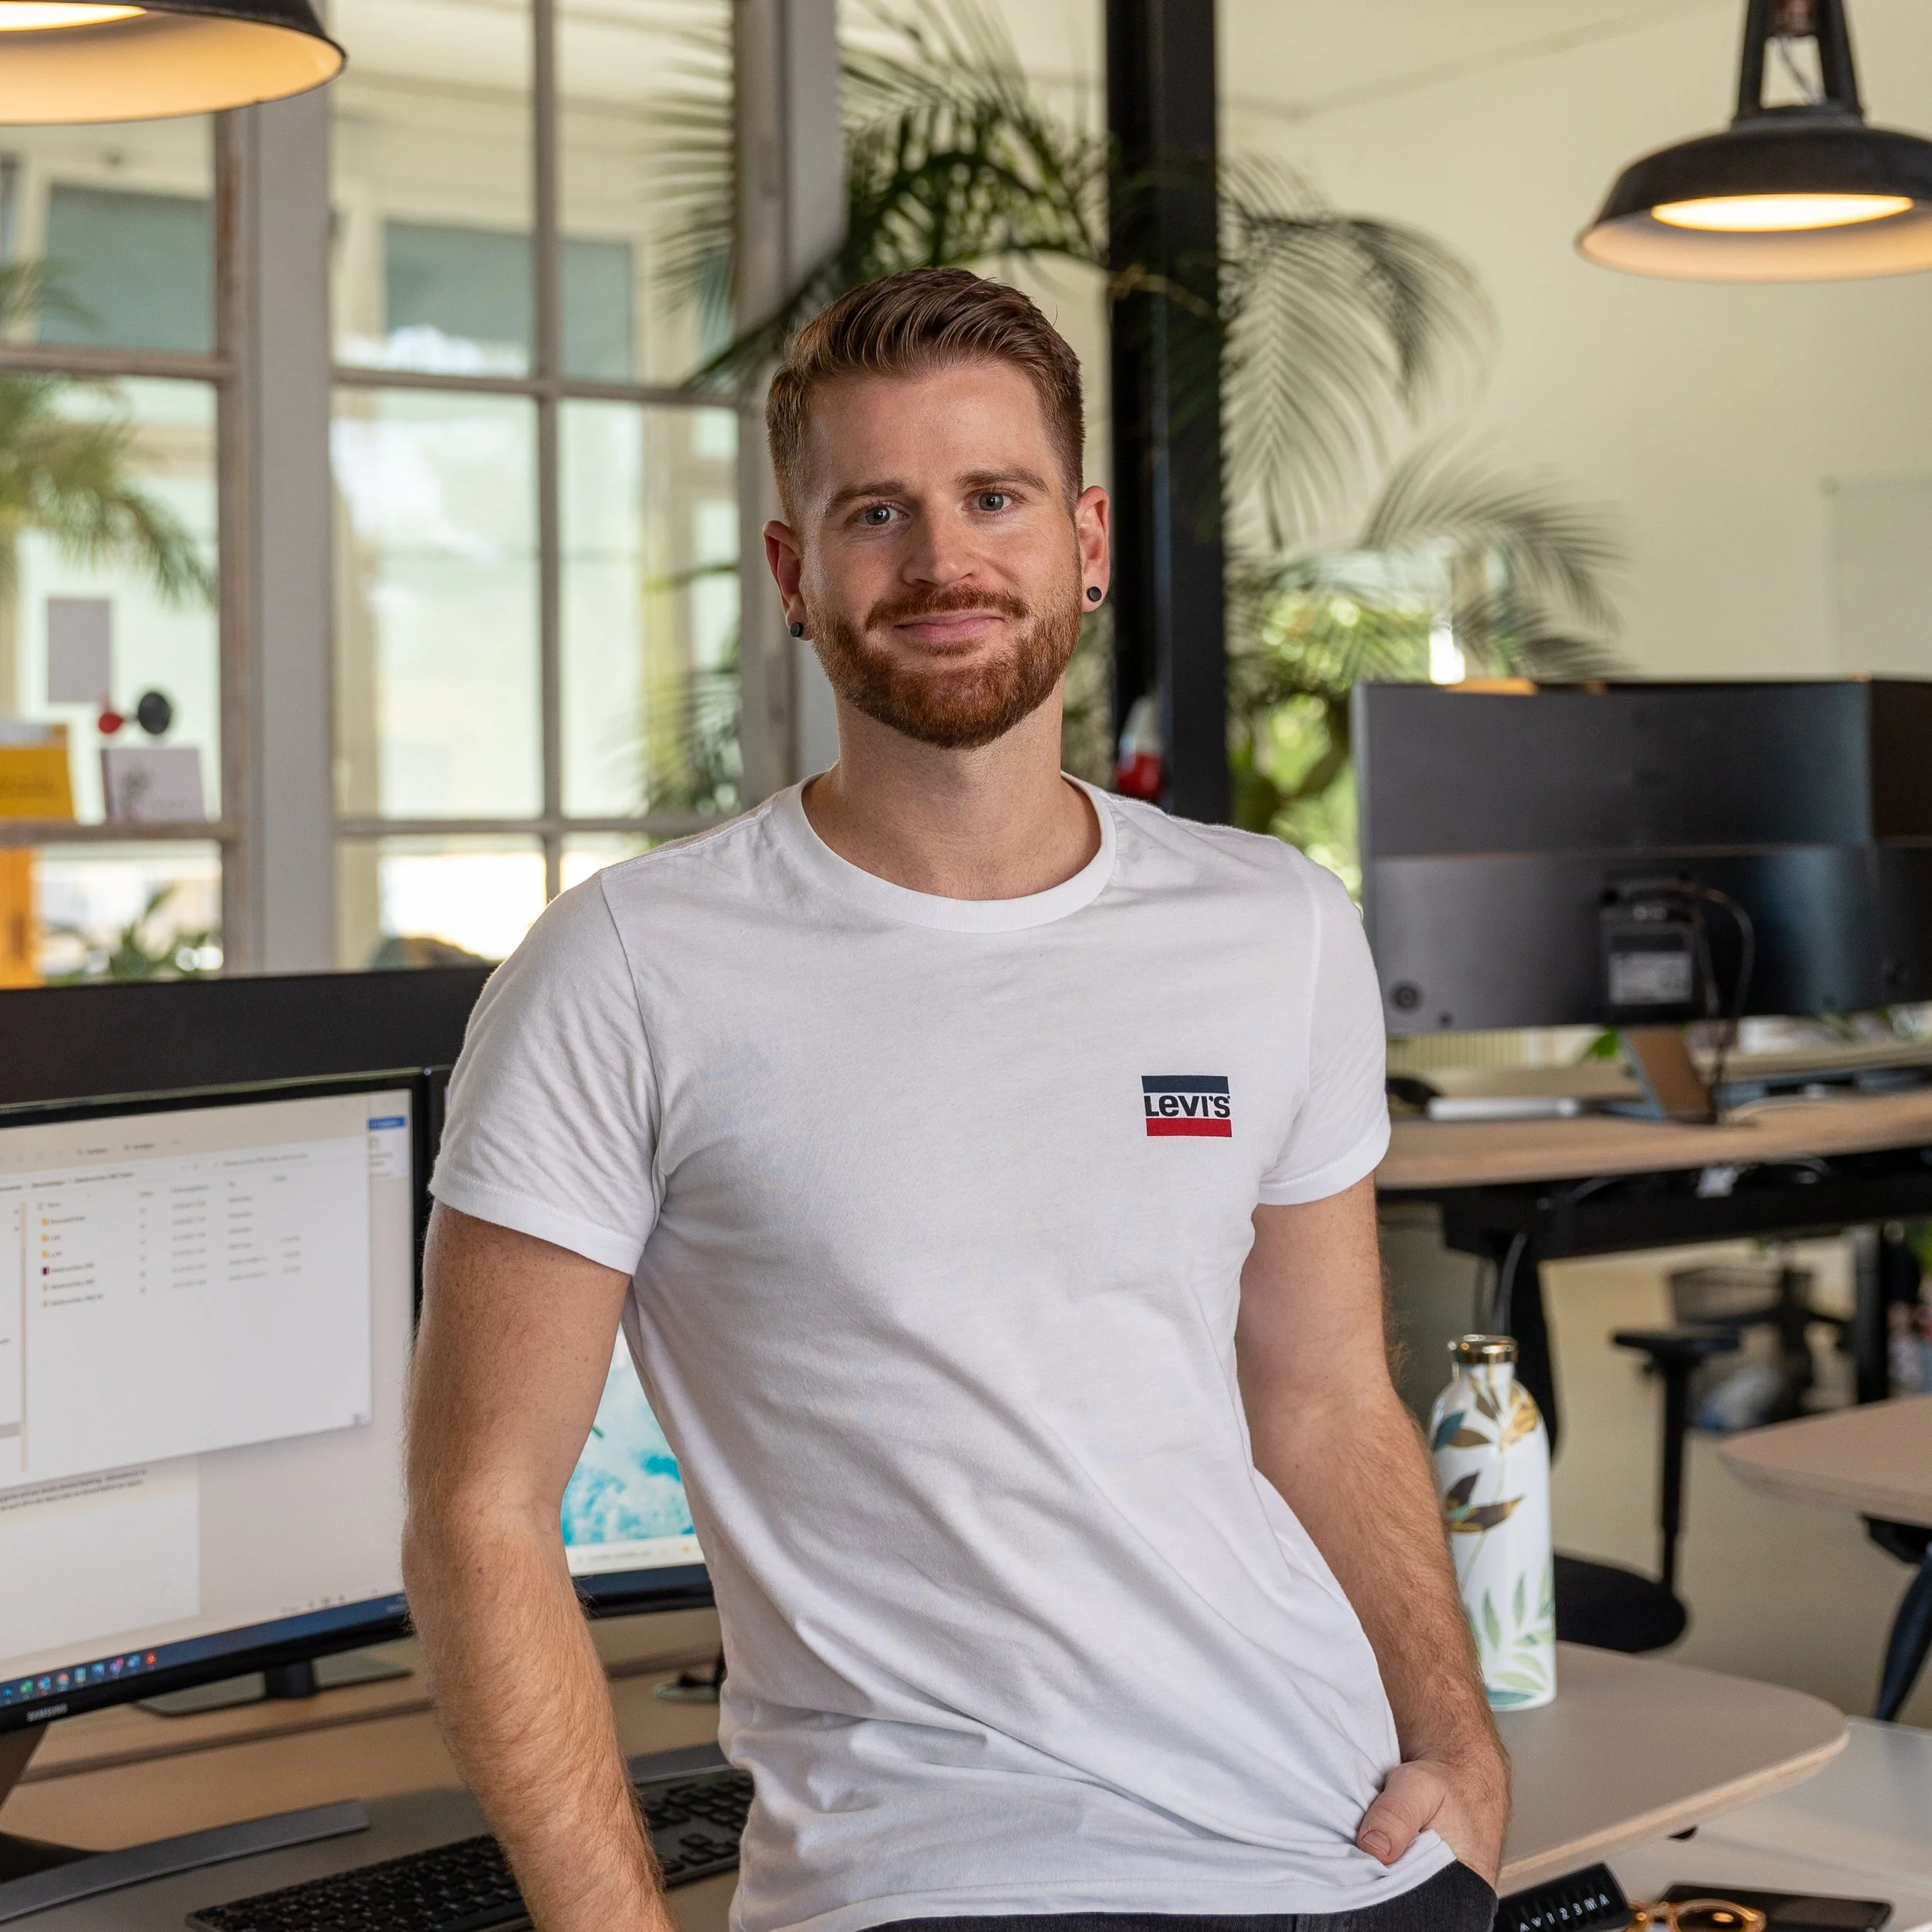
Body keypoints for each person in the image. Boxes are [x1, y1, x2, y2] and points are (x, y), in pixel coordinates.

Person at [406, 267, 1509, 1932]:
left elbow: (1323, 1391)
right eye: (875, 513)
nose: (941, 562)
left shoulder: (1269, 921)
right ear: (794, 570)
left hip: (1347, 1839)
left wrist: (1456, 1740)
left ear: (1081, 536)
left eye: (990, 497)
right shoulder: (625, 966)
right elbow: (477, 1511)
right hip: (938, 1880)